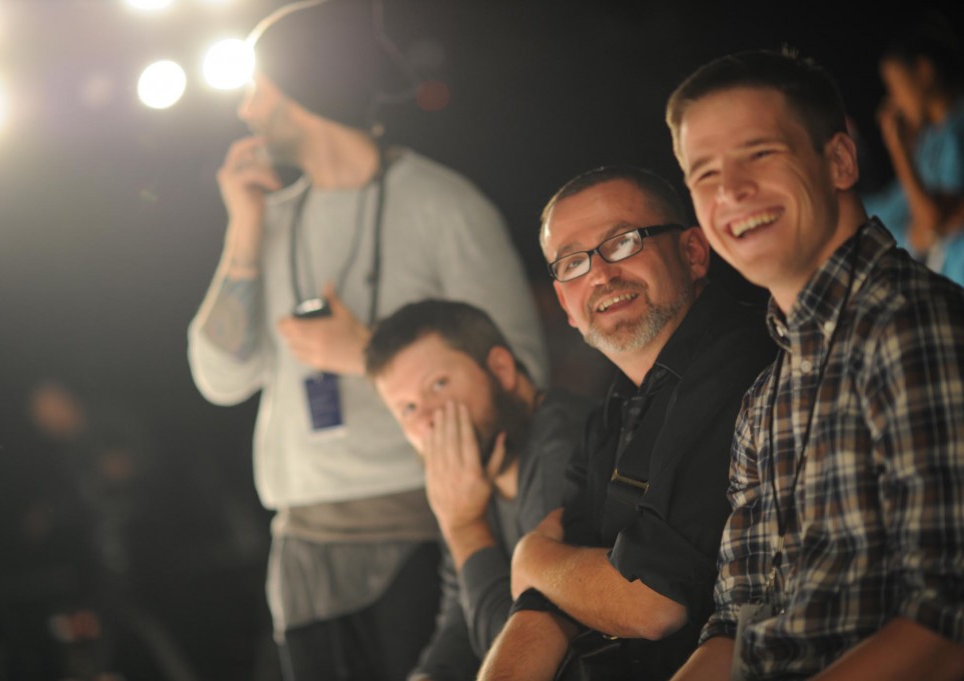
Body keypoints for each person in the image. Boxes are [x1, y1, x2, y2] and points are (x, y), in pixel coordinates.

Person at [185, 1, 549, 679]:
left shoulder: (445, 205)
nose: (245, 110)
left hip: (423, 527)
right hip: (301, 544)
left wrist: (364, 353)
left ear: (303, 87)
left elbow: (522, 375)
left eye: (256, 87)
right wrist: (242, 230)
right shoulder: (268, 219)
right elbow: (219, 376)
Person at [666, 47, 964, 680]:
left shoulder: (913, 325)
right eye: (704, 174)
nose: (732, 191)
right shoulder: (765, 398)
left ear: (839, 160)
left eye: (760, 153)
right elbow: (734, 625)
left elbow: (949, 621)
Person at [476, 165, 776, 681]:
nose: (600, 274)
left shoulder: (745, 361)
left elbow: (651, 603)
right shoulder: (612, 412)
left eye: (622, 242)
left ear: (693, 253)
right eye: (571, 261)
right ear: (566, 309)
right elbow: (549, 597)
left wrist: (532, 557)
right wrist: (545, 564)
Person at [363, 299, 597, 681]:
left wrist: (465, 527)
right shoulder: (476, 464)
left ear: (501, 369)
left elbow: (528, 653)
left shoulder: (563, 448)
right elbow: (462, 616)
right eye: (407, 409)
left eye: (439, 385)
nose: (427, 422)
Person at [861, 10, 964, 285]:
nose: (893, 100)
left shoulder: (956, 132)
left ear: (924, 71)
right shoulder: (932, 139)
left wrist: (897, 148)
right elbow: (904, 215)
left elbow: (931, 220)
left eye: (895, 85)